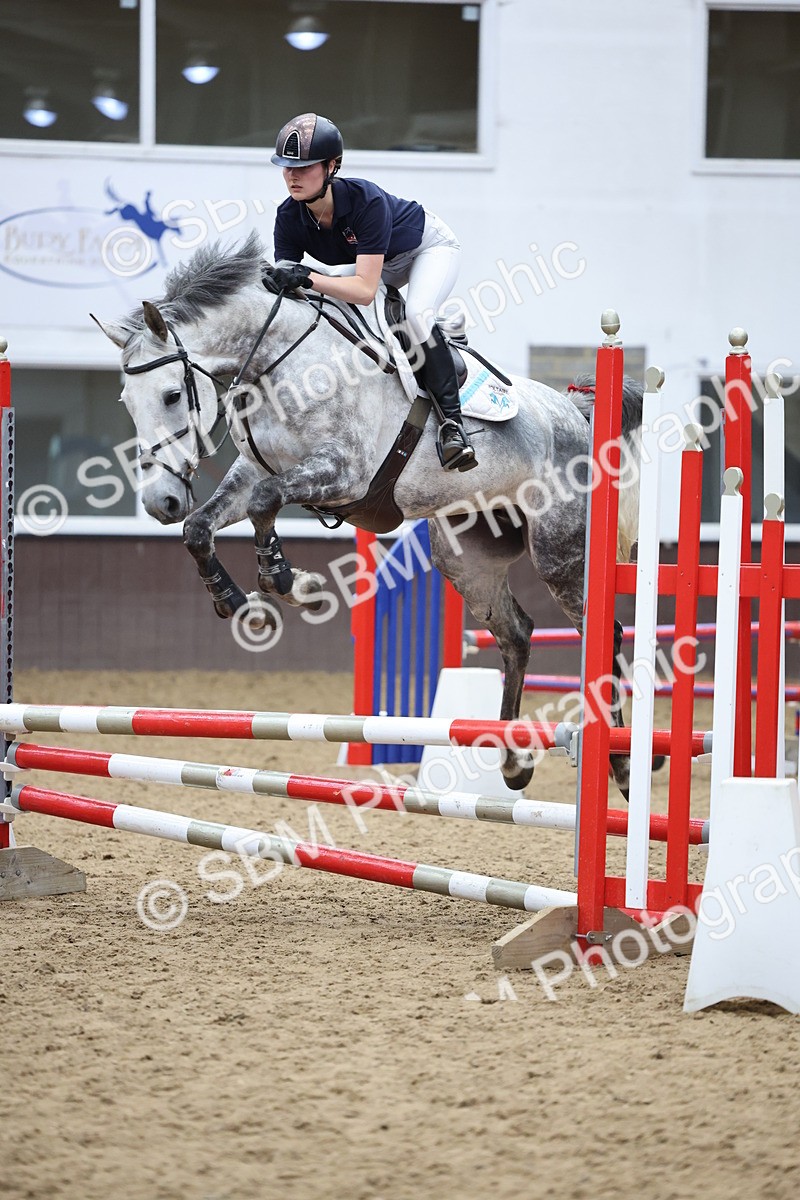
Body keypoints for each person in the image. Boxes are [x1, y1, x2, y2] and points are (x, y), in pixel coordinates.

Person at [267, 112, 477, 471]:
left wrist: (308, 278)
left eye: (304, 167)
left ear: (332, 166)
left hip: (425, 250)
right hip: (371, 263)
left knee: (416, 316)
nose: (292, 175)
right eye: (287, 167)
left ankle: (452, 426)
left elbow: (364, 290)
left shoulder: (365, 200)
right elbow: (287, 281)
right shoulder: (288, 216)